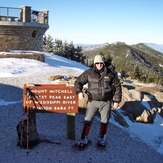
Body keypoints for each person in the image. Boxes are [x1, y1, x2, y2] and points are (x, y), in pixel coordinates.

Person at [73, 55, 122, 150]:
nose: (99, 65)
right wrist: (79, 92)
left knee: (104, 121)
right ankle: (84, 139)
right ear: (94, 63)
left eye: (101, 63)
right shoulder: (89, 73)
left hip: (106, 102)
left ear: (103, 63)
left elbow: (117, 88)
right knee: (87, 120)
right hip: (93, 101)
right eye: (97, 63)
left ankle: (102, 138)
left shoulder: (111, 74)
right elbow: (78, 82)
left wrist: (116, 101)